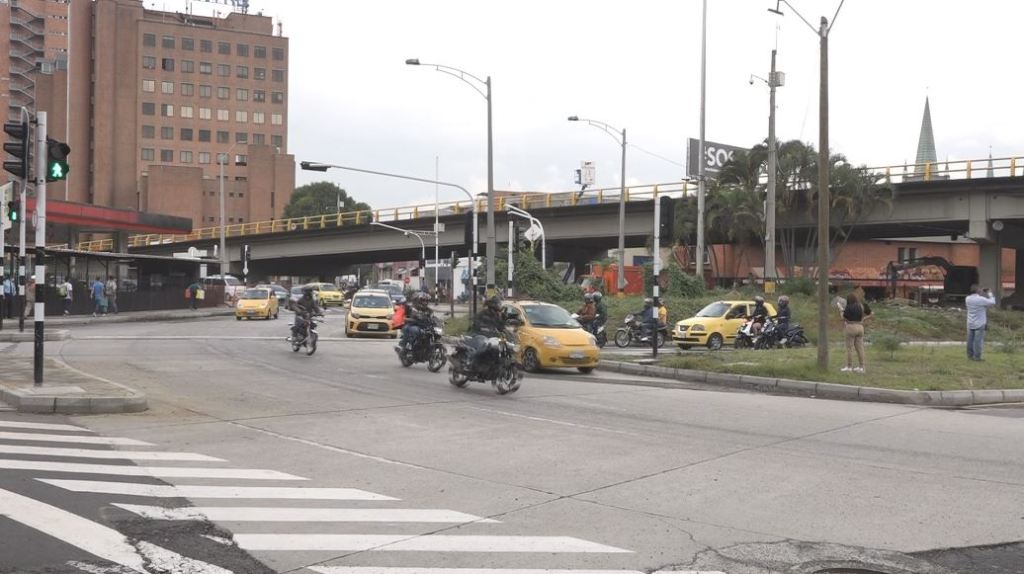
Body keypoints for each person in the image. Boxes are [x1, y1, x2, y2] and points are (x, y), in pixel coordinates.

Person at [467, 295, 508, 363]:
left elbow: (500, 327)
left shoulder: (497, 316)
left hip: (491, 337)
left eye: (499, 304)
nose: (497, 310)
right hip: (478, 334)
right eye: (497, 305)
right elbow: (476, 322)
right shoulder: (483, 313)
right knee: (481, 349)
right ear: (492, 306)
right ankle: (472, 362)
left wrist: (504, 320)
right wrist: (483, 327)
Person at [840, 293, 872, 373]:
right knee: (860, 348)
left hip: (851, 327)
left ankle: (849, 367)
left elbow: (843, 318)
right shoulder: (861, 306)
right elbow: (871, 313)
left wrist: (840, 310)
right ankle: (862, 367)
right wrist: (863, 319)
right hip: (860, 327)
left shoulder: (849, 307)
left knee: (850, 348)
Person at [965, 285, 997, 361]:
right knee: (978, 341)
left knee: (970, 340)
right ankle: (977, 357)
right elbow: (992, 302)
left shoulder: (967, 299)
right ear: (978, 291)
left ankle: (970, 356)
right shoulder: (981, 299)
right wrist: (989, 293)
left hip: (970, 323)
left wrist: (980, 292)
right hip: (980, 323)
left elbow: (979, 300)